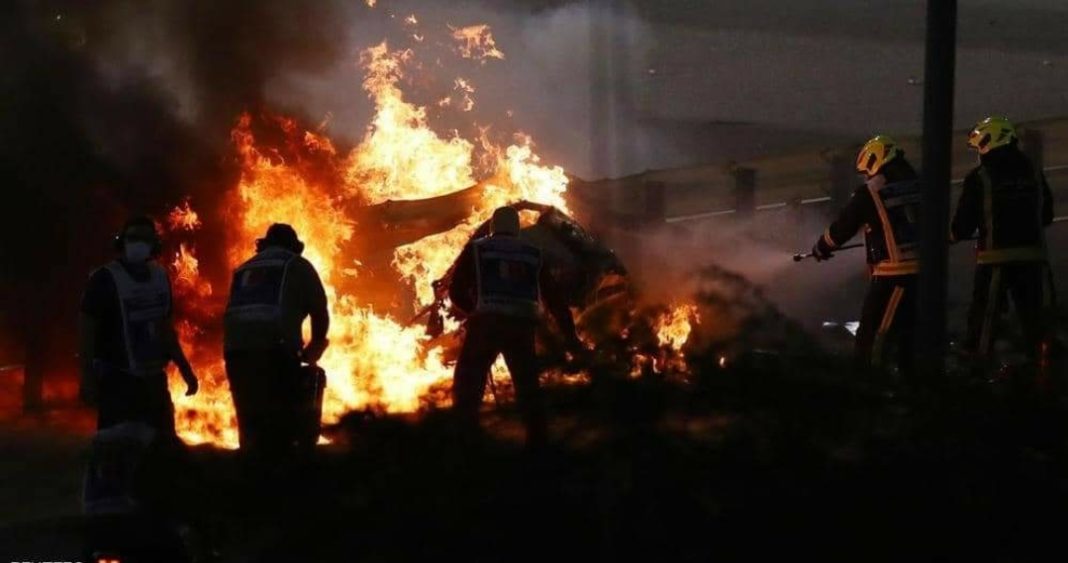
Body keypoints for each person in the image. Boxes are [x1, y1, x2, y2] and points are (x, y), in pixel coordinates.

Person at [448, 206, 584, 448]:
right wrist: (570, 336)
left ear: (493, 227)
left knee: (469, 380)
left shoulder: (477, 249)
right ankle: (538, 443)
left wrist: (473, 311)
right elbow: (554, 299)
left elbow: (456, 290)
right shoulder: (533, 253)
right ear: (517, 228)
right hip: (521, 327)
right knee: (528, 385)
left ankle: (466, 438)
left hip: (487, 324)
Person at [951, 116, 1056, 377]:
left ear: (989, 143)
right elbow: (1047, 215)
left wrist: (948, 236)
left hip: (994, 260)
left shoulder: (980, 177)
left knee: (985, 318)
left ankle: (977, 368)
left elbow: (963, 225)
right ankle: (1046, 369)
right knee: (1037, 317)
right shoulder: (1033, 172)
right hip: (1034, 259)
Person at [810, 136, 922, 381]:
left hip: (895, 275)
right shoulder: (917, 183)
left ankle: (869, 381)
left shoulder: (871, 191)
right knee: (908, 335)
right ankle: (911, 380)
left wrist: (821, 247)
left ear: (874, 162)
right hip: (924, 272)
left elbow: (844, 226)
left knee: (873, 332)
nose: (867, 177)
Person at [80, 216, 198, 438]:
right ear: (122, 242)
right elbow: (87, 329)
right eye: (133, 237)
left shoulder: (160, 277)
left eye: (145, 238)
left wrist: (185, 369)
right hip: (118, 380)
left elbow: (166, 329)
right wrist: (87, 376)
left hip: (154, 381)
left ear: (154, 245)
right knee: (118, 446)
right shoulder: (105, 278)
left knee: (161, 444)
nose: (138, 243)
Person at [223, 223, 329, 461]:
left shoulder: (244, 269)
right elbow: (319, 311)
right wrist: (316, 346)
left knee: (250, 423)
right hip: (275, 350)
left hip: (235, 354)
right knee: (281, 424)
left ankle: (249, 468)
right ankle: (281, 470)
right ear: (294, 246)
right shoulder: (297, 264)